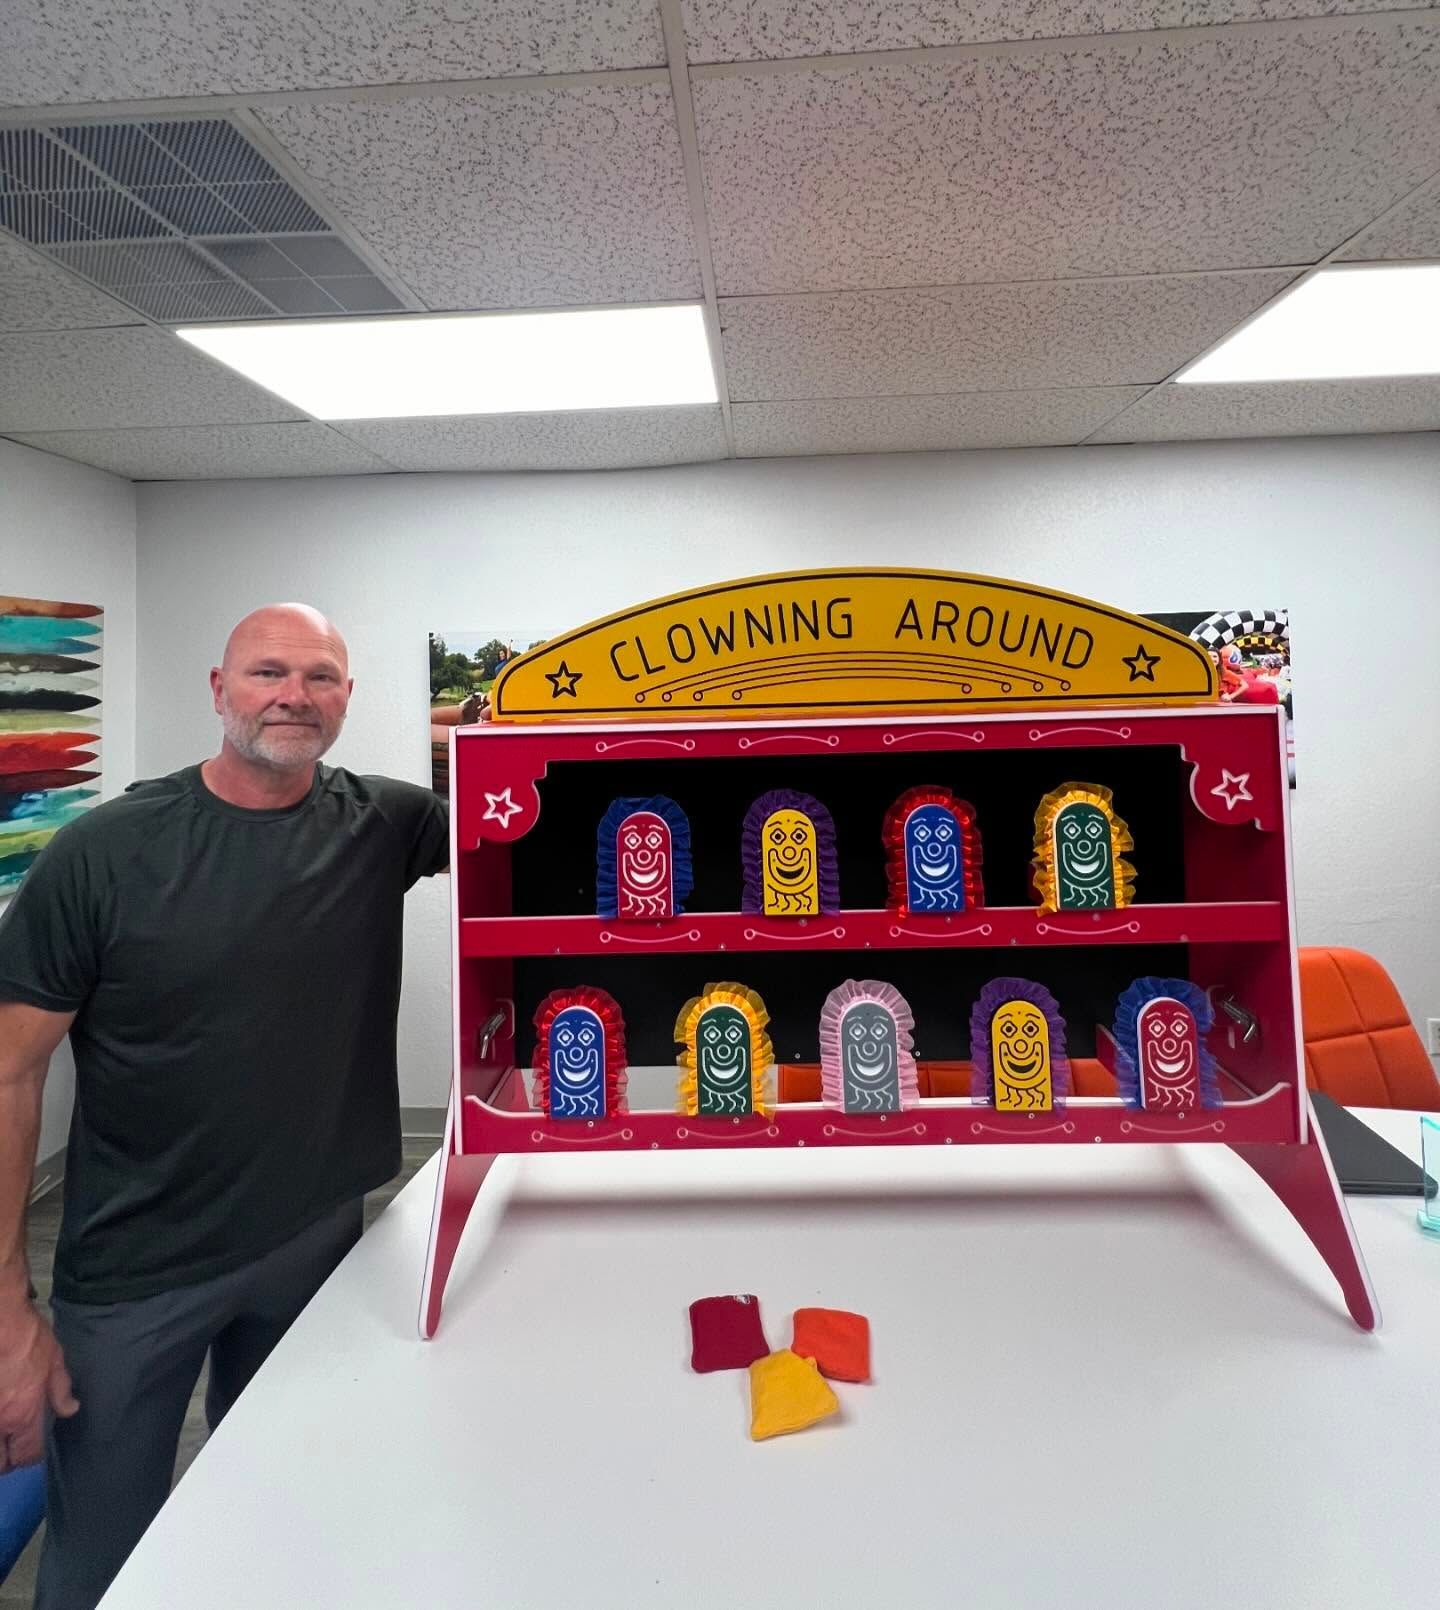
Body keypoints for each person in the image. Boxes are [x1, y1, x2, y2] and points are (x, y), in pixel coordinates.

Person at [0, 603, 450, 1609]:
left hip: (319, 1241)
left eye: (321, 676)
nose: (294, 694)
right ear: (219, 688)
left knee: (286, 1511)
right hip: (134, 1277)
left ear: (346, 697)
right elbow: (8, 1074)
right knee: (103, 1560)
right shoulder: (103, 852)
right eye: (268, 672)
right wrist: (6, 1311)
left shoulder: (388, 822)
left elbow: (545, 827)